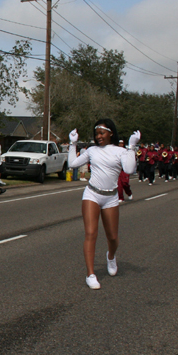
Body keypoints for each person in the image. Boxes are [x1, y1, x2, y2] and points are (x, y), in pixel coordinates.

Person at [68, 120, 139, 290]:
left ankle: (111, 256)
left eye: (102, 133)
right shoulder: (92, 151)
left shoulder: (121, 151)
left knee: (112, 237)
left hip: (111, 197)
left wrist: (132, 147)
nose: (98, 136)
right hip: (92, 194)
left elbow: (129, 169)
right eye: (96, 134)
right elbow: (72, 164)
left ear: (111, 133)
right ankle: (90, 274)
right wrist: (73, 144)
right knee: (91, 233)